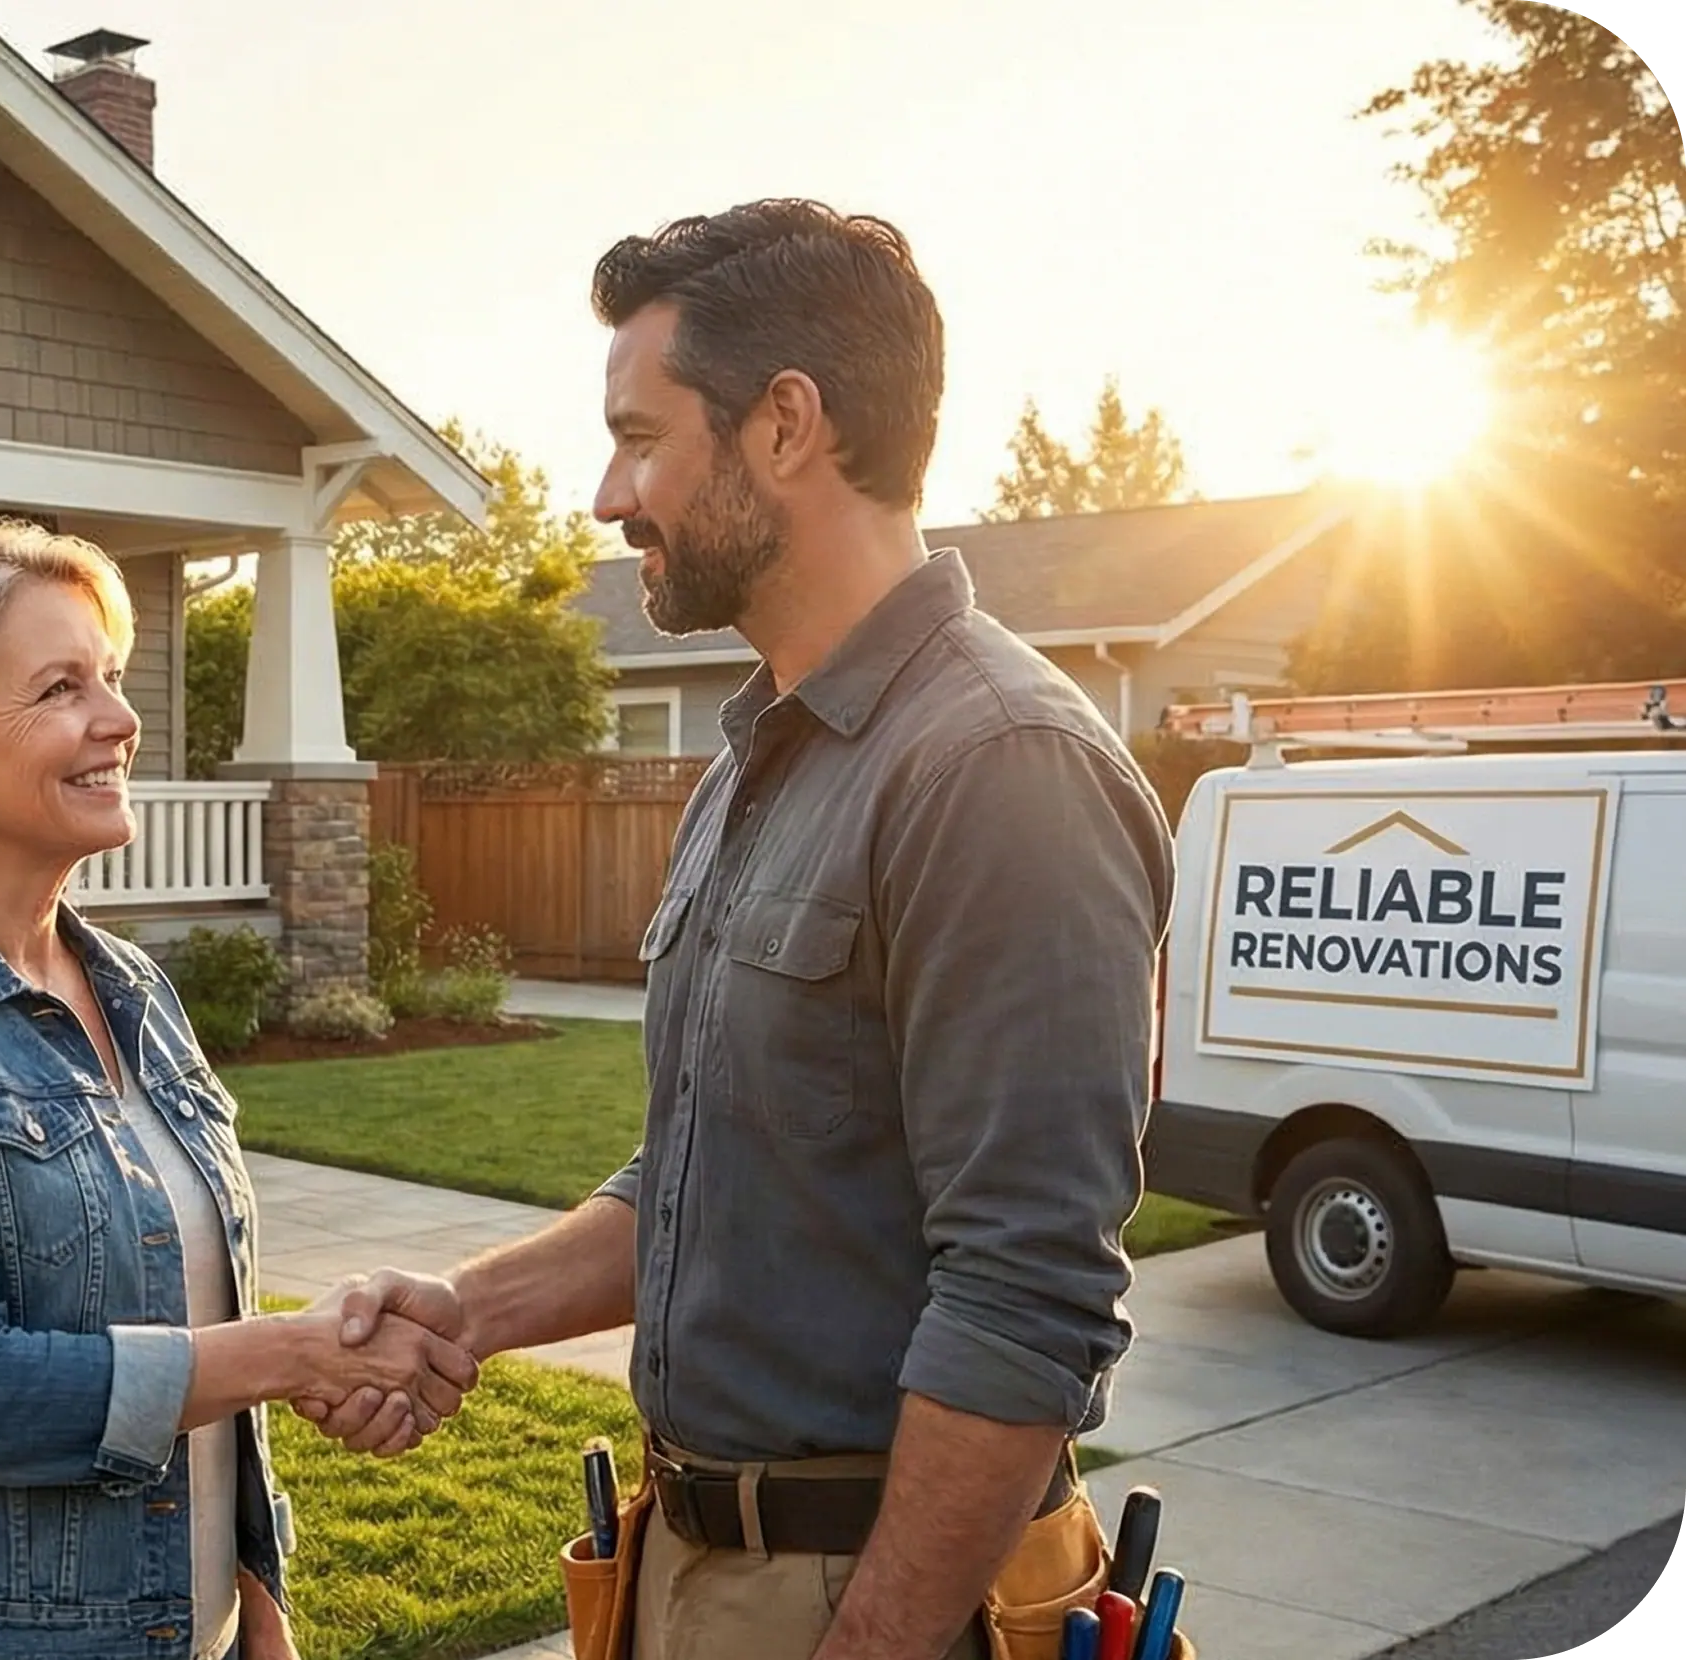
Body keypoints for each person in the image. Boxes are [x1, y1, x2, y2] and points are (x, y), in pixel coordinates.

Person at [297, 200, 1178, 1659]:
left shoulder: (998, 768)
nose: (604, 494)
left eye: (641, 437)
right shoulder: (764, 759)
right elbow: (707, 1169)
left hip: (867, 1590)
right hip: (686, 1564)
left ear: (785, 427)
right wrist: (466, 1307)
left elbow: (1028, 1299)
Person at [0, 518, 479, 1660]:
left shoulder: (131, 986)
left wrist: (258, 1617)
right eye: (59, 688)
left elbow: (192, 1331)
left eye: (114, 677)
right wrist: (296, 1352)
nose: (121, 720)